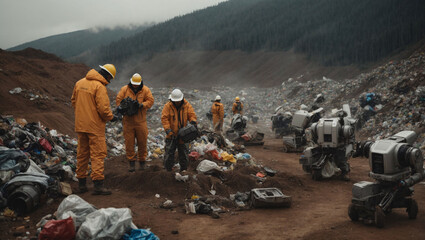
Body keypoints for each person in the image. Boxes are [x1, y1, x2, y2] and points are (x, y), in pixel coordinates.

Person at [71, 64, 117, 195]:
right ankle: (98, 186)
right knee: (97, 155)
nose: (109, 82)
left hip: (81, 125)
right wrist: (111, 117)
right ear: (107, 75)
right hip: (95, 127)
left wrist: (82, 114)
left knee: (82, 154)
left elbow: (73, 101)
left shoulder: (79, 83)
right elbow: (103, 109)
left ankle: (81, 185)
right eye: (110, 79)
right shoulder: (99, 87)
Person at [116, 73, 154, 172]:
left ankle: (142, 163)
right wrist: (123, 107)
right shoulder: (124, 89)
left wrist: (141, 105)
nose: (135, 86)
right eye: (134, 84)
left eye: (137, 84)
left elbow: (150, 101)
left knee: (142, 143)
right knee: (129, 143)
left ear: (140, 82)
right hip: (128, 121)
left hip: (140, 121)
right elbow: (118, 100)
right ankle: (131, 164)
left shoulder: (145, 90)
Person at [161, 89, 197, 172]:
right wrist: (168, 130)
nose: (177, 102)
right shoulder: (168, 106)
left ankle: (183, 170)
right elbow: (164, 119)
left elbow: (192, 115)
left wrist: (193, 122)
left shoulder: (187, 105)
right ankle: (168, 170)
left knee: (184, 154)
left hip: (183, 135)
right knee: (169, 153)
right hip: (171, 134)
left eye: (178, 101)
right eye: (175, 101)